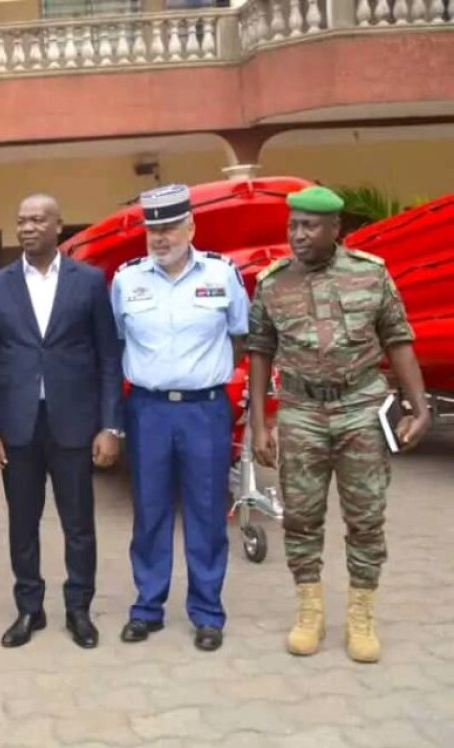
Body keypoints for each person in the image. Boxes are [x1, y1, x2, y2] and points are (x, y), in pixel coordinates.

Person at [247, 185, 431, 663]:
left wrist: (420, 407)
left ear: (336, 230)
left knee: (366, 517)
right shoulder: (272, 283)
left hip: (360, 408)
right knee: (302, 516)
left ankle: (361, 615)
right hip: (302, 412)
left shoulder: (370, 275)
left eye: (309, 226)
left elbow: (398, 339)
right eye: (293, 226)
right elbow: (260, 351)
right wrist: (259, 425)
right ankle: (309, 612)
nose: (298, 235)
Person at [110, 184, 250, 652]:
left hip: (204, 410)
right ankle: (147, 606)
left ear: (191, 227)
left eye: (169, 227)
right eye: (153, 229)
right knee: (149, 510)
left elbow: (240, 335)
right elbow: (116, 343)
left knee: (207, 512)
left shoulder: (222, 273)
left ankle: (207, 612)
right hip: (147, 409)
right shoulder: (127, 280)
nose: (160, 237)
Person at [0, 194, 123, 651]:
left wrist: (110, 425)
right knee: (23, 523)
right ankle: (29, 609)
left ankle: (78, 608)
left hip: (75, 424)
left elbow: (108, 357)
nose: (27, 228)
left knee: (78, 522)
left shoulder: (89, 281)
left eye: (38, 220)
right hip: (16, 427)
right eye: (21, 220)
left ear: (58, 226)